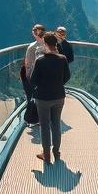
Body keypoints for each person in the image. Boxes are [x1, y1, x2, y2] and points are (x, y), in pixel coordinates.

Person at [29, 31, 71, 163]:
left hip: (43, 98)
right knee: (56, 124)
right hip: (59, 96)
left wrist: (43, 85)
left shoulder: (40, 60)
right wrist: (58, 84)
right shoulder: (63, 59)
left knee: (45, 126)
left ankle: (46, 155)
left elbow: (33, 80)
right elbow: (67, 77)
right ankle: (56, 152)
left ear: (45, 44)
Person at [21, 24, 47, 102]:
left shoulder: (31, 47)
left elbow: (28, 64)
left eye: (36, 30)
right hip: (47, 76)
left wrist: (28, 76)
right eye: (34, 30)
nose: (35, 31)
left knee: (33, 98)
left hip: (34, 76)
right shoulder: (50, 44)